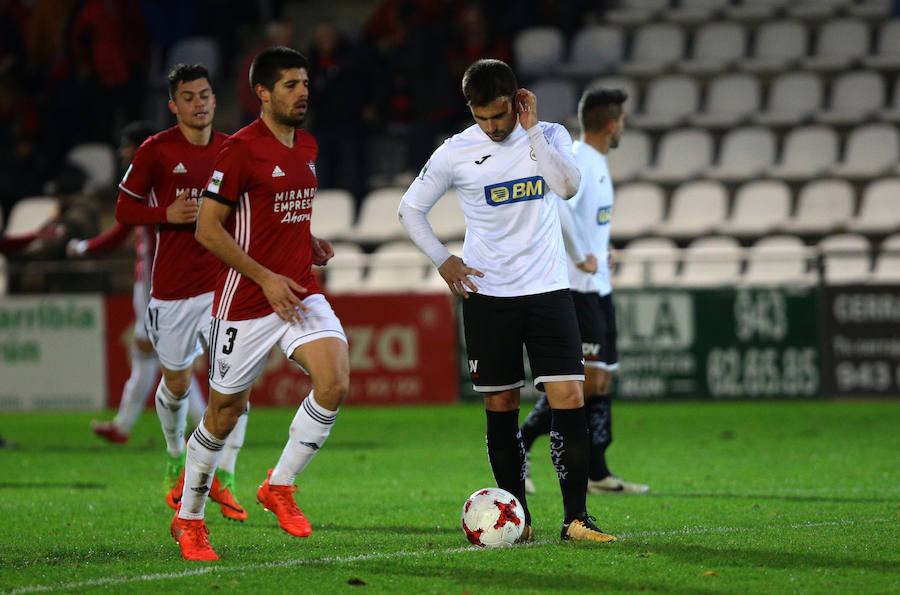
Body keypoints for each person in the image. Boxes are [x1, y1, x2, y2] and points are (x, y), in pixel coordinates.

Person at [398, 58, 616, 544]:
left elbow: (569, 186)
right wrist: (441, 258)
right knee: (501, 402)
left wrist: (532, 132)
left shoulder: (552, 136)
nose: (492, 127)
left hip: (548, 291)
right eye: (482, 117)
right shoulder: (456, 152)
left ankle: (576, 519)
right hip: (488, 294)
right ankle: (519, 522)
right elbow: (409, 207)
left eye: (499, 115)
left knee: (570, 397)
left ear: (517, 101)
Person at [173, 46, 349, 561]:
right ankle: (189, 520)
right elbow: (207, 228)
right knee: (224, 414)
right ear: (263, 94)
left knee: (334, 380)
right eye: (291, 85)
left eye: (305, 82)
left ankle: (280, 485)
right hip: (247, 299)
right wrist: (265, 275)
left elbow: (278, 211)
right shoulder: (239, 150)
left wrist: (307, 240)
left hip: (297, 290)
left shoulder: (308, 144)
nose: (303, 92)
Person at [114, 64, 248, 521]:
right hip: (172, 292)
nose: (200, 103)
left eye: (206, 94)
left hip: (224, 284)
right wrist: (164, 214)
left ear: (215, 98)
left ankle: (224, 477)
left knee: (236, 383)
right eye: (189, 97)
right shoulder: (155, 151)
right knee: (175, 382)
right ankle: (175, 452)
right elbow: (123, 209)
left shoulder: (233, 150)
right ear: (174, 105)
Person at [520, 87, 650, 496]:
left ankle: (598, 472)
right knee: (585, 383)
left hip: (599, 288)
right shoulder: (580, 160)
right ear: (612, 124)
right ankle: (520, 445)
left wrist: (599, 250)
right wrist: (580, 257)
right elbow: (559, 208)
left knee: (602, 382)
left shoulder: (597, 163)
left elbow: (587, 221)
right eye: (623, 121)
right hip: (578, 288)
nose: (623, 127)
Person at [70, 121, 208, 446]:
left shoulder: (151, 178)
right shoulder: (155, 177)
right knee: (153, 355)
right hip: (149, 282)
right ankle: (123, 425)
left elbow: (120, 229)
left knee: (167, 356)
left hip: (154, 283)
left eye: (126, 145)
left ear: (140, 147)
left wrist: (82, 248)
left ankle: (201, 423)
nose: (121, 151)